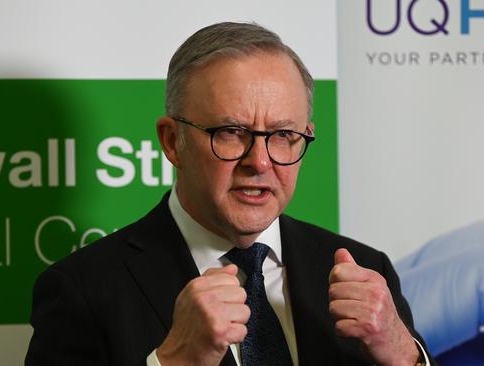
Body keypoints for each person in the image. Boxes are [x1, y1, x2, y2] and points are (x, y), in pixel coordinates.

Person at [25, 22, 433, 366]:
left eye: (284, 135)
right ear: (172, 141)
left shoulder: (364, 268)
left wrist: (401, 353)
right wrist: (172, 362)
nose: (260, 162)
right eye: (232, 133)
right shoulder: (82, 289)